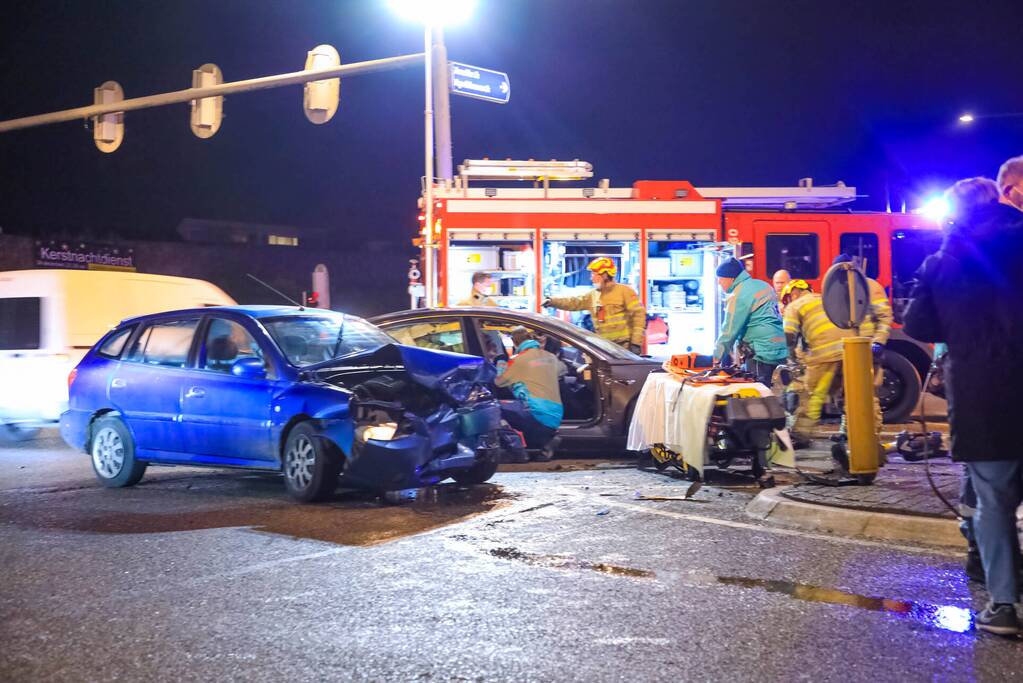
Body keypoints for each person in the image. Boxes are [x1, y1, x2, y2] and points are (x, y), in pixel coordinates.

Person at [903, 168, 1023, 636]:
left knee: (992, 500)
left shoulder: (943, 259)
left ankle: (1005, 606)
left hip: (983, 393)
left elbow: (919, 326)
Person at [781, 279, 855, 445]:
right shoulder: (824, 299)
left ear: (794, 293)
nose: (788, 302)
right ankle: (849, 431)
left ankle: (800, 435)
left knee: (811, 393)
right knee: (846, 394)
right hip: (849, 349)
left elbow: (789, 335)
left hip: (824, 353)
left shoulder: (795, 305)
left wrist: (791, 357)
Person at [831, 253, 890, 436]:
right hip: (845, 350)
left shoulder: (870, 287)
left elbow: (885, 317)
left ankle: (873, 435)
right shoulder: (836, 288)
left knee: (867, 394)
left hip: (867, 349)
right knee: (844, 393)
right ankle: (847, 431)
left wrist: (878, 342)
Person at [544, 257, 646, 354]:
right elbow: (573, 302)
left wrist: (635, 343)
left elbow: (639, 316)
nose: (591, 278)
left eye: (594, 274)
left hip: (624, 348)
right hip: (605, 348)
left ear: (605, 275)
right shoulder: (593, 295)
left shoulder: (625, 291)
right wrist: (552, 301)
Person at [712, 257, 787, 386]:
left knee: (757, 396)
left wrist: (715, 358)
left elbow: (729, 331)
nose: (719, 283)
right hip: (780, 348)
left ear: (731, 278)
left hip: (760, 352)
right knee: (774, 396)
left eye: (721, 279)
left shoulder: (738, 295)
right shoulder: (763, 285)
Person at [495, 326, 564, 461]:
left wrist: (501, 365)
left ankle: (516, 450)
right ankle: (546, 442)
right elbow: (562, 371)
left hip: (535, 413)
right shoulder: (550, 357)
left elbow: (499, 382)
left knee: (492, 408)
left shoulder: (519, 360)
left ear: (515, 343)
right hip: (555, 416)